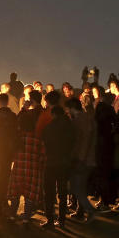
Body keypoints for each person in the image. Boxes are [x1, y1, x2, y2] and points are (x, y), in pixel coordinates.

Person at [7, 91, 45, 224]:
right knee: (29, 195)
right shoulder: (37, 138)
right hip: (33, 170)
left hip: (18, 169)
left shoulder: (18, 137)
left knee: (15, 194)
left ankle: (12, 214)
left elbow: (18, 118)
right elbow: (42, 153)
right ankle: (26, 218)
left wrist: (24, 108)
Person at [40, 92, 74, 228]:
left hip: (51, 162)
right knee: (63, 192)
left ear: (53, 115)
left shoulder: (49, 128)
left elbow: (45, 143)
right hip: (65, 162)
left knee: (49, 193)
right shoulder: (70, 126)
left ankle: (50, 219)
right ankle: (62, 220)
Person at [68, 97, 98, 222]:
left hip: (84, 160)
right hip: (89, 158)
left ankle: (90, 210)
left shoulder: (80, 120)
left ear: (72, 108)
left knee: (76, 187)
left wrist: (80, 158)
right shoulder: (88, 118)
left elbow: (83, 141)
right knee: (81, 186)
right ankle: (81, 211)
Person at [0, 93, 18, 217]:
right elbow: (15, 134)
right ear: (7, 102)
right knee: (6, 177)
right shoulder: (12, 116)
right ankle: (3, 201)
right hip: (8, 152)